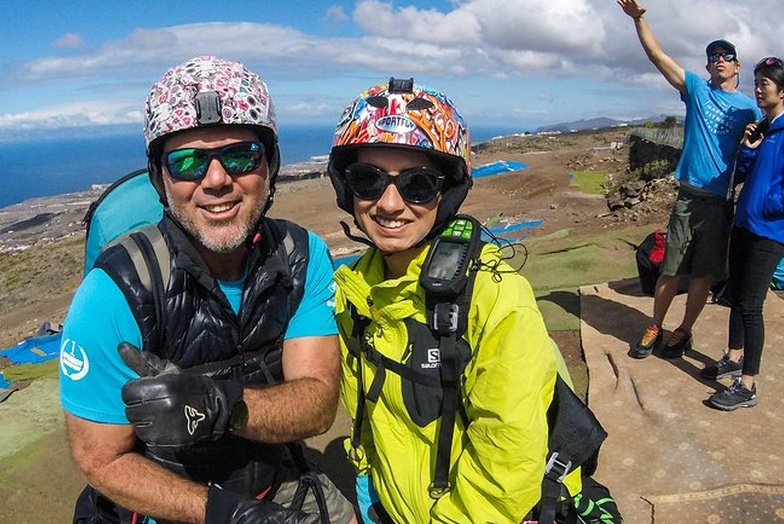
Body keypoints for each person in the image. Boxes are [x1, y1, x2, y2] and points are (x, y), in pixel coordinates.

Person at [60, 56, 356, 524]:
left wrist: (222, 405)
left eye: (241, 156)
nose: (217, 180)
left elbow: (318, 403)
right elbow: (102, 460)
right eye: (188, 162)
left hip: (278, 482)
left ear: (271, 164)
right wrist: (226, 514)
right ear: (161, 178)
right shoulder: (113, 292)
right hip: (169, 506)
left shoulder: (302, 257)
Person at [326, 79, 616, 523]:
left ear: (447, 194)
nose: (388, 203)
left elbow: (508, 465)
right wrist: (370, 493)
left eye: (417, 185)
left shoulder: (492, 296)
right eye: (367, 180)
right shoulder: (358, 289)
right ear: (347, 189)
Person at [618, 0, 762, 360]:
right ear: (707, 65)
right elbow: (657, 56)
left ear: (737, 65)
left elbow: (764, 148)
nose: (719, 59)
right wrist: (640, 19)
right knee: (670, 270)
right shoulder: (697, 89)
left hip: (719, 203)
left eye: (726, 55)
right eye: (713, 55)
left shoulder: (750, 108)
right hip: (687, 197)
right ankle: (655, 326)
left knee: (702, 276)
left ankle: (684, 331)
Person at [704, 57, 784, 410]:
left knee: (752, 306)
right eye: (756, 81)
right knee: (736, 298)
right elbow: (744, 176)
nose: (757, 88)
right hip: (744, 226)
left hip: (769, 231)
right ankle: (733, 355)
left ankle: (748, 385)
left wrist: (770, 202)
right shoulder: (764, 129)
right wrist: (748, 151)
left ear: (782, 91)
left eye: (764, 83)